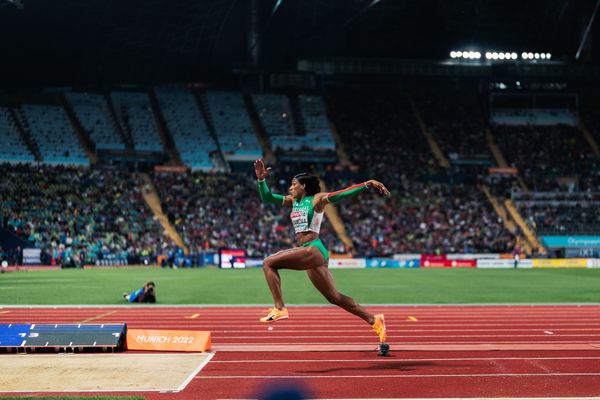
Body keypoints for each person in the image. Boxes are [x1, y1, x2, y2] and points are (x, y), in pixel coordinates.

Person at [254, 159, 390, 344]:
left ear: (303, 186)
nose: (290, 188)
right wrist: (261, 180)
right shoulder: (293, 201)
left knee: (269, 262)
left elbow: (341, 194)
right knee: (334, 297)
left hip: (314, 249)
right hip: (309, 253)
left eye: (294, 184)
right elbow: (267, 197)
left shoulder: (317, 199)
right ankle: (374, 320)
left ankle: (279, 308)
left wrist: (367, 184)